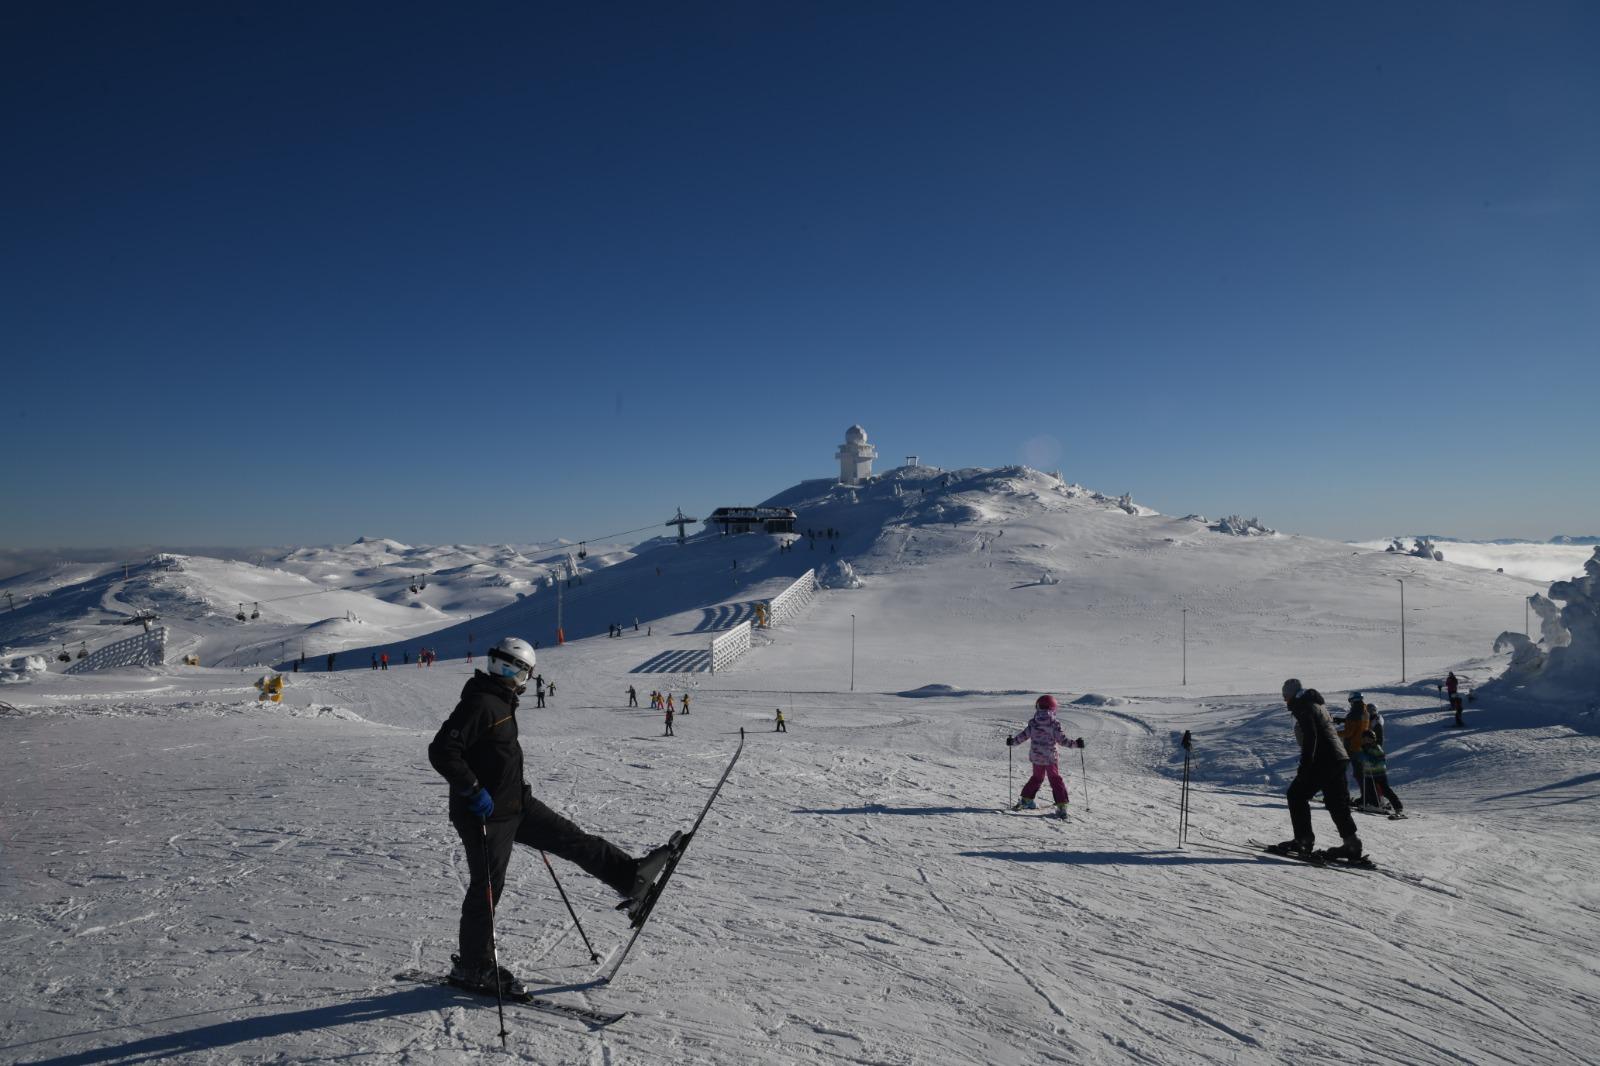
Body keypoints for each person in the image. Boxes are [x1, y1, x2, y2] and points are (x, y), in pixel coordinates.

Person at [428, 637, 679, 995]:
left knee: (573, 840)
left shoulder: (498, 700)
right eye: (517, 669)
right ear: (521, 673)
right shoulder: (482, 703)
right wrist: (472, 788)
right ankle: (473, 966)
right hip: (485, 815)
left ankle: (630, 876)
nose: (516, 676)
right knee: (487, 887)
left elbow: (492, 755)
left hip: (516, 805)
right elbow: (442, 751)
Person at [1275, 679, 1364, 860]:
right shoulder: (1316, 704)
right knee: (1336, 802)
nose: (1285, 701)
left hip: (1323, 759)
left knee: (1296, 795)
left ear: (1291, 694)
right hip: (1338, 758)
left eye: (1285, 697)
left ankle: (1303, 840)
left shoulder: (1303, 705)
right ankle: (1352, 843)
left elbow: (1311, 736)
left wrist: (1305, 765)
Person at [1005, 695, 1083, 819]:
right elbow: (1062, 740)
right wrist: (1076, 744)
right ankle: (1062, 806)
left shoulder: (1034, 722)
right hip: (1050, 758)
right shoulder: (1054, 723)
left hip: (1037, 758)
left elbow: (1023, 736)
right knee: (1055, 779)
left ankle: (1026, 800)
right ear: (1053, 707)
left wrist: (1012, 741)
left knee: (1036, 778)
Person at [1352, 729, 1404, 816]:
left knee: (1385, 790)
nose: (1366, 740)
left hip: (1379, 773)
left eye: (1369, 739)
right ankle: (1374, 804)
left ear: (1373, 739)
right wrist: (1360, 757)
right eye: (1364, 739)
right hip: (1369, 773)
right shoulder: (1364, 748)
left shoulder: (1376, 747)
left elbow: (1380, 759)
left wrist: (1368, 758)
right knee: (1370, 790)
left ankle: (1398, 806)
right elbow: (1361, 758)